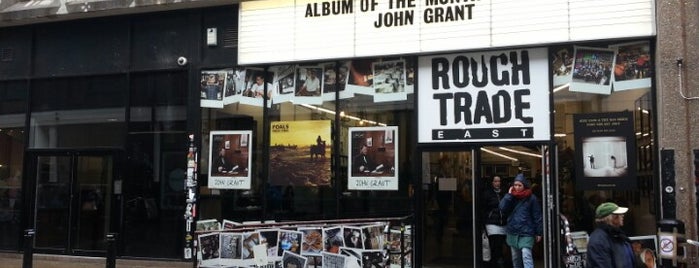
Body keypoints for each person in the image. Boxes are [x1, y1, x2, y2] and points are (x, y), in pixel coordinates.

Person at [499, 174, 542, 268]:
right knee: (515, 258)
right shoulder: (511, 197)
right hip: (513, 231)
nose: (517, 187)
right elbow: (502, 208)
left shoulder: (532, 198)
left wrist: (539, 232)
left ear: (524, 186)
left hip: (527, 231)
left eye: (520, 185)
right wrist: (508, 195)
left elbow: (537, 215)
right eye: (515, 185)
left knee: (526, 255)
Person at [586, 202, 637, 268]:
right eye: (619, 214)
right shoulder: (599, 240)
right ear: (611, 217)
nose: (622, 215)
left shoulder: (617, 235)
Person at [482, 175, 507, 268]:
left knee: (501, 245)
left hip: (503, 224)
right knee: (495, 245)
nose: (497, 183)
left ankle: (499, 262)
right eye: (495, 181)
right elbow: (483, 209)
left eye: (499, 181)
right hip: (492, 223)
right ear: (491, 182)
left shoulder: (504, 193)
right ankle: (496, 263)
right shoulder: (487, 194)